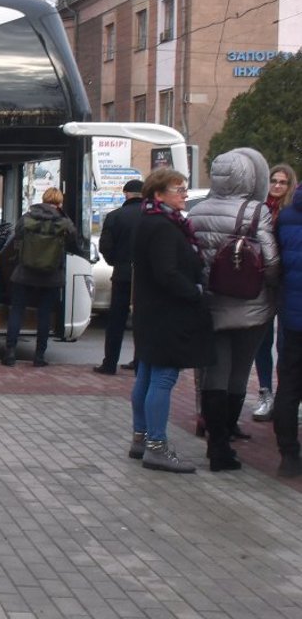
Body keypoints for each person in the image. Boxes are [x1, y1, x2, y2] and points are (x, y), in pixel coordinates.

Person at [188, 147, 279, 471]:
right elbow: (269, 262)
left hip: (210, 304)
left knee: (215, 374)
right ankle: (225, 443)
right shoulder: (257, 212)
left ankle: (215, 445)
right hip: (250, 306)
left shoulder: (197, 210)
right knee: (239, 376)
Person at [128, 167, 209, 473]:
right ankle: (156, 446)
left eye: (184, 189)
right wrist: (195, 291)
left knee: (147, 375)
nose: (184, 195)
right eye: (179, 190)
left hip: (151, 312)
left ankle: (141, 437)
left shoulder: (149, 220)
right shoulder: (163, 226)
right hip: (167, 314)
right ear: (158, 195)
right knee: (162, 377)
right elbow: (167, 272)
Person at [0, 187, 80, 367]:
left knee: (17, 311)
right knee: (44, 315)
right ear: (59, 203)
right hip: (51, 275)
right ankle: (39, 356)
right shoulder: (64, 222)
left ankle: (10, 352)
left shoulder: (27, 218)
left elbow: (17, 238)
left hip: (24, 273)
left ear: (43, 200)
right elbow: (74, 244)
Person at [252, 163, 297, 420]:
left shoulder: (292, 212)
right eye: (274, 181)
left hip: (288, 284)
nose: (277, 186)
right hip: (264, 283)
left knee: (286, 344)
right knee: (263, 341)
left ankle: (286, 395)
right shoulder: (261, 210)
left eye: (283, 182)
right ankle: (265, 392)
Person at [95, 178, 144, 375]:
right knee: (142, 321)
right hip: (145, 278)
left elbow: (105, 246)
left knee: (116, 321)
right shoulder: (152, 216)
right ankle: (140, 362)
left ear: (126, 194)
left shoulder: (115, 216)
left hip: (122, 275)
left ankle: (109, 363)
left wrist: (115, 262)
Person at [273, 179, 302, 477]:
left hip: (293, 318)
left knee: (289, 386)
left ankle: (289, 454)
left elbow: (276, 262)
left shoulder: (288, 215)